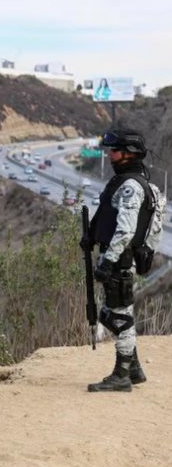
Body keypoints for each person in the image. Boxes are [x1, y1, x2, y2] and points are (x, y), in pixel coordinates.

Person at [81, 129, 156, 392]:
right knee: (114, 313)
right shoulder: (140, 184)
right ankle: (133, 368)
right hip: (122, 260)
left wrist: (107, 261)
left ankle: (122, 375)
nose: (110, 156)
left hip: (119, 261)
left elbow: (125, 231)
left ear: (128, 154)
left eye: (114, 151)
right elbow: (153, 228)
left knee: (119, 315)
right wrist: (90, 237)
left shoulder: (130, 187)